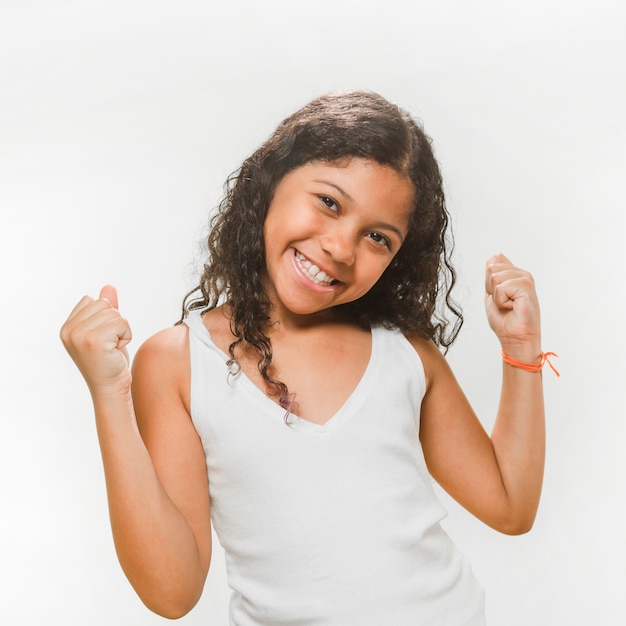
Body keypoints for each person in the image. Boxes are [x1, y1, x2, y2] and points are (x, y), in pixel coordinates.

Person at [60, 90, 553, 625]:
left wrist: (520, 350)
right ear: (271, 183)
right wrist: (109, 394)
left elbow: (509, 506)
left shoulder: (405, 352)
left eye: (378, 238)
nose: (342, 247)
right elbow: (171, 593)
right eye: (330, 202)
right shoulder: (180, 361)